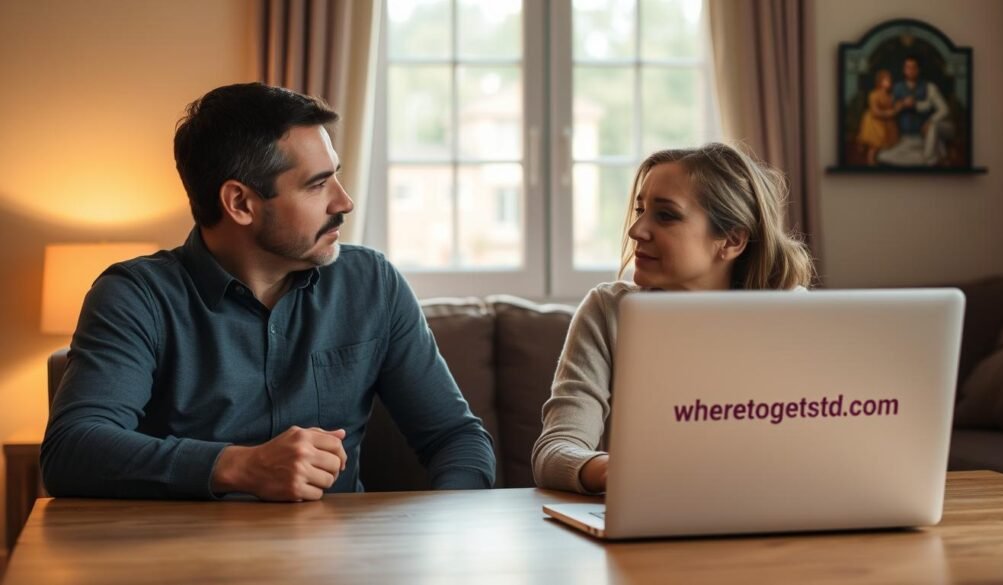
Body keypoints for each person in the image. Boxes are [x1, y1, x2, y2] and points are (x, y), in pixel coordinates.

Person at [41, 83, 496, 501]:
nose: (344, 202)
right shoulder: (136, 297)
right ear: (240, 203)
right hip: (188, 552)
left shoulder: (372, 284)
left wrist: (444, 533)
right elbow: (72, 450)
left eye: (335, 176)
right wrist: (238, 466)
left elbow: (457, 440)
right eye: (317, 184)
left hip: (344, 553)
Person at [531, 143, 814, 494]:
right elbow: (554, 452)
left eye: (665, 215)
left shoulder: (794, 317)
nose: (636, 230)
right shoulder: (608, 312)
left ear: (732, 240)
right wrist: (618, 472)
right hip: (651, 514)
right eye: (640, 210)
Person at [877, 55, 954, 166]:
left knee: (925, 158)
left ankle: (930, 157)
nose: (910, 71)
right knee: (883, 156)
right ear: (904, 70)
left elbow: (944, 109)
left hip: (924, 138)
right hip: (904, 138)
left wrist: (930, 121)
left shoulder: (929, 87)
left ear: (918, 70)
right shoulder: (897, 88)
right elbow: (890, 110)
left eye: (913, 67)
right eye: (907, 67)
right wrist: (901, 105)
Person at [856, 69, 902, 165]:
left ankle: (879, 159)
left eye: (889, 80)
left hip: (886, 122)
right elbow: (875, 112)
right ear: (880, 82)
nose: (889, 82)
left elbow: (892, 106)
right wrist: (892, 112)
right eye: (886, 80)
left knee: (884, 144)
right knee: (875, 144)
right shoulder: (873, 94)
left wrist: (897, 106)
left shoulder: (889, 96)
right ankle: (870, 161)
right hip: (874, 122)